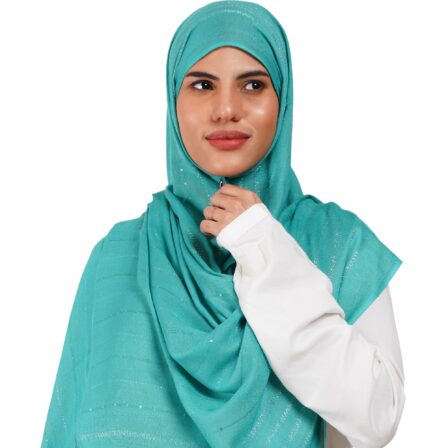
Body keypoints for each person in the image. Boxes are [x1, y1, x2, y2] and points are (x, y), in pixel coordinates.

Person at [40, 1, 405, 447]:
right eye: (202, 85)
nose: (226, 109)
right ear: (173, 101)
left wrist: (264, 249)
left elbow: (377, 417)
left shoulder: (336, 242)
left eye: (253, 84)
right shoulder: (121, 255)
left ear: (282, 99)